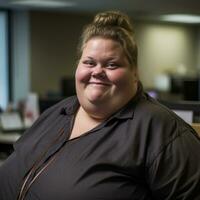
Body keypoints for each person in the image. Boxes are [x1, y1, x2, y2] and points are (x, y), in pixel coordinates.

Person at [0, 10, 200, 200]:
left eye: (111, 64)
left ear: (135, 72)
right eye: (89, 62)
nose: (97, 71)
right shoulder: (57, 113)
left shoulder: (163, 131)